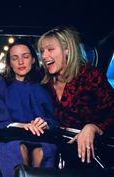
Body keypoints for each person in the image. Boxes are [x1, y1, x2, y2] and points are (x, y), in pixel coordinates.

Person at [37, 26, 114, 168]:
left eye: (50, 49)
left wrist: (93, 127)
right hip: (51, 146)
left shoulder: (91, 76)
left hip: (86, 152)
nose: (44, 56)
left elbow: (111, 113)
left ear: (67, 49)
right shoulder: (43, 82)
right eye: (42, 51)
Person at [0, 39, 58, 177]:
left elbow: (54, 119)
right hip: (10, 136)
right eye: (15, 58)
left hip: (40, 135)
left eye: (25, 57)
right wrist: (21, 125)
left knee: (43, 151)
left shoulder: (44, 84)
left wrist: (45, 123)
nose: (20, 62)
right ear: (10, 63)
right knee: (17, 149)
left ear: (33, 60)